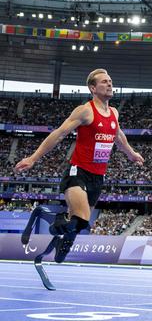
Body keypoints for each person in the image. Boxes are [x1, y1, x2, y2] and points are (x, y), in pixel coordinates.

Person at [15, 68, 144, 262]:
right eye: (104, 82)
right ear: (93, 88)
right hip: (78, 173)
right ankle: (44, 213)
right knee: (81, 218)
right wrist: (33, 158)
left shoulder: (114, 113)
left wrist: (132, 154)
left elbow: (119, 137)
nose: (109, 84)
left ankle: (62, 242)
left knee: (82, 224)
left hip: (97, 177)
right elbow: (59, 134)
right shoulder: (85, 110)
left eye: (110, 81)